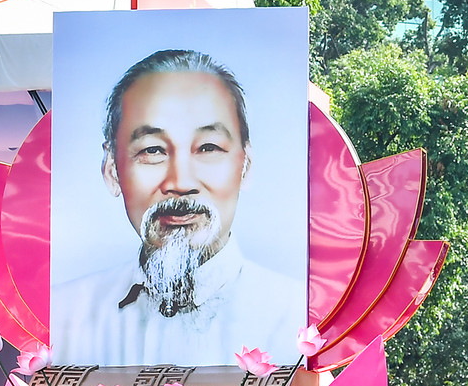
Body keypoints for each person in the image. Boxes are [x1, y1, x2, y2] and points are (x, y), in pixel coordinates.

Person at [51, 48, 306, 366]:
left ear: (246, 166)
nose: (181, 182)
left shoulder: (297, 320)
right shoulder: (62, 319)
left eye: (209, 147)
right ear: (112, 170)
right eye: (152, 150)